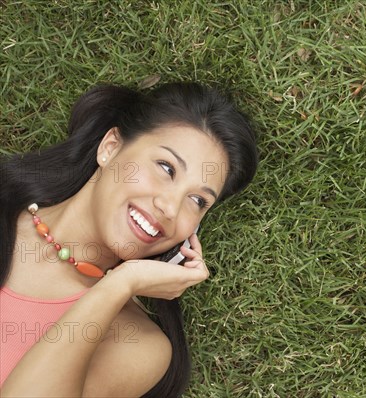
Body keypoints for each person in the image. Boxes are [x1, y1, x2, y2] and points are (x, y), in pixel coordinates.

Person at [0, 82, 259, 397]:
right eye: (166, 168)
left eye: (197, 201)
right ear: (110, 147)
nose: (169, 207)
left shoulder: (138, 346)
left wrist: (119, 286)